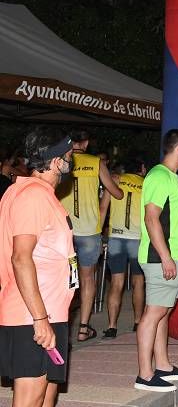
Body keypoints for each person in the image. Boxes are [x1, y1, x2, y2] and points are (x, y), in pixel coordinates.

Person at [0, 129, 83, 407]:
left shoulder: (39, 195)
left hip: (50, 314)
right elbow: (21, 258)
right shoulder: (32, 195)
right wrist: (40, 319)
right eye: (67, 156)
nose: (70, 162)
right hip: (34, 317)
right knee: (26, 405)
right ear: (53, 161)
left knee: (44, 400)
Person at [134, 130, 178, 393]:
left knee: (164, 312)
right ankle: (145, 375)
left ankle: (163, 366)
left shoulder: (172, 178)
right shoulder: (159, 176)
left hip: (172, 257)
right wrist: (166, 257)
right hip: (159, 257)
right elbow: (152, 218)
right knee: (154, 313)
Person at [56, 130, 123, 342]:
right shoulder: (96, 163)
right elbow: (116, 192)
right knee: (87, 279)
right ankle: (83, 328)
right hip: (88, 231)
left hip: (63, 230)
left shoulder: (60, 161)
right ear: (85, 142)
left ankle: (59, 326)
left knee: (60, 280)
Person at [99, 160, 147, 337]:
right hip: (138, 238)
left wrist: (99, 233)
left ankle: (112, 326)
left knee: (116, 283)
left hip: (116, 237)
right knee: (138, 282)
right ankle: (137, 322)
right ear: (142, 168)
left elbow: (103, 208)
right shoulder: (146, 184)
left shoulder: (115, 180)